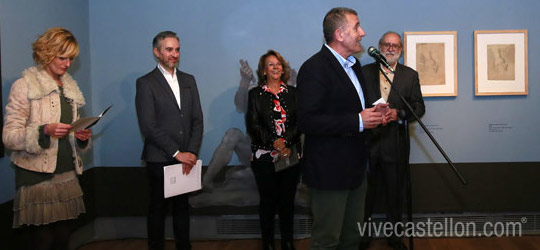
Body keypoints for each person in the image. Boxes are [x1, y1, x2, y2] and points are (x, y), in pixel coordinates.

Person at [296, 7, 387, 250]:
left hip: (356, 170)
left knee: (351, 239)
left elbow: (351, 109)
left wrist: (374, 115)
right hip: (329, 173)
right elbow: (307, 120)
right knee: (327, 240)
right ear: (339, 34)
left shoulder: (354, 65)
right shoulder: (314, 68)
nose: (363, 32)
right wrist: (358, 121)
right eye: (357, 27)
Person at [2, 27, 91, 250]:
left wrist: (80, 136)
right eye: (63, 57)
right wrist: (44, 130)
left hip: (66, 174)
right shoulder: (24, 86)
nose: (68, 64)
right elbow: (9, 137)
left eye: (71, 58)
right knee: (43, 241)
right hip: (36, 177)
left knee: (63, 238)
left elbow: (68, 131)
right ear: (47, 52)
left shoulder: (70, 88)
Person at [135, 31, 203, 250]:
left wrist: (191, 152)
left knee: (183, 208)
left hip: (187, 158)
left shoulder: (189, 80)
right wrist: (176, 153)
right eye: (169, 49)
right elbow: (148, 126)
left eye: (177, 49)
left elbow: (197, 120)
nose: (174, 54)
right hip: (160, 159)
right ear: (157, 52)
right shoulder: (146, 83)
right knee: (158, 210)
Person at [361, 31, 425, 250]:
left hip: (395, 145)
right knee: (364, 198)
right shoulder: (363, 72)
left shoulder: (409, 75)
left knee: (395, 197)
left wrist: (398, 114)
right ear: (379, 47)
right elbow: (353, 104)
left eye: (395, 45)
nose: (390, 48)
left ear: (401, 49)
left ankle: (395, 239)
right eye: (386, 44)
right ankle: (362, 238)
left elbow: (419, 108)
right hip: (367, 145)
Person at [245, 50, 301, 250]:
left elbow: (299, 122)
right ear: (263, 70)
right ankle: (267, 243)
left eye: (279, 63)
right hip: (264, 157)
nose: (276, 67)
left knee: (287, 202)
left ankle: (287, 242)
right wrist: (274, 142)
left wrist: (285, 141)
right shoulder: (255, 94)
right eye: (271, 64)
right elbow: (253, 125)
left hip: (290, 156)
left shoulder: (294, 93)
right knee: (267, 202)